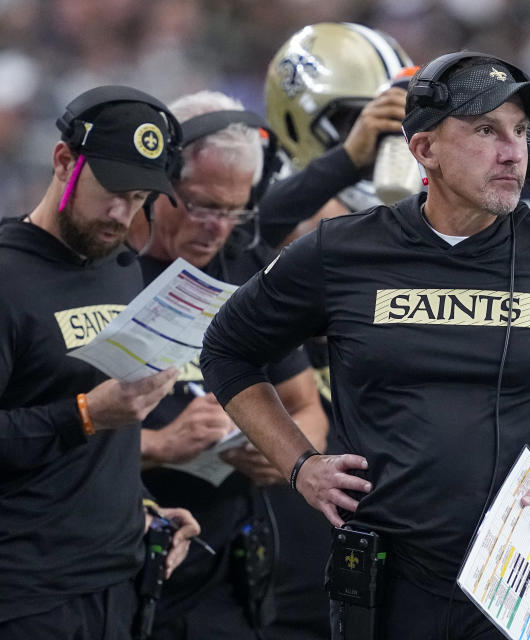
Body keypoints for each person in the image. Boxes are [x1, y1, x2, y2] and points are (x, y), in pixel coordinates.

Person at [199, 52, 530, 640]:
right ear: (424, 150)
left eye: (522, 131)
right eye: (485, 129)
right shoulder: (343, 252)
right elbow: (226, 347)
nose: (513, 150)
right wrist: (299, 465)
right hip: (382, 584)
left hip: (521, 582)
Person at [126, 90, 328, 639]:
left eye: (235, 209)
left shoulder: (243, 275)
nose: (218, 227)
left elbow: (307, 408)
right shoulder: (105, 270)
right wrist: (161, 445)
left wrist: (285, 456)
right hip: (113, 566)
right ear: (156, 181)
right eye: (201, 204)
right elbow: (43, 432)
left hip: (224, 575)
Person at [0, 86, 200, 638]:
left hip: (121, 582)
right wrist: (85, 412)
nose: (121, 214)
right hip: (28, 594)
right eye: (111, 190)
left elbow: (96, 447)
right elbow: (88, 414)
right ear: (64, 161)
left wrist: (140, 507)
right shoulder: (7, 277)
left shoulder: (119, 266)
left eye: (138, 198)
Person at [259, 22, 414, 247]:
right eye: (359, 121)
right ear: (295, 122)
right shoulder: (256, 190)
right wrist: (347, 160)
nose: (383, 137)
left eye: (398, 119)